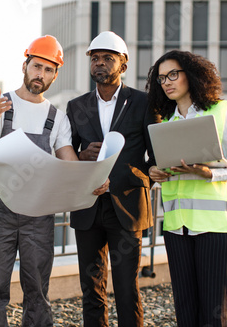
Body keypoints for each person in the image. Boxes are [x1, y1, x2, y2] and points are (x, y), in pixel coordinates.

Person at [0, 35, 108, 327]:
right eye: (37, 66)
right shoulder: (0, 104)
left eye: (49, 70)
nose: (41, 74)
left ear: (55, 75)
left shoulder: (57, 118)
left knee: (37, 289)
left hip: (38, 213)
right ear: (25, 65)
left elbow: (67, 162)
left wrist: (92, 182)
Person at [146, 50, 227, 327]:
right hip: (177, 229)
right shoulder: (166, 125)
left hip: (217, 229)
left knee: (214, 316)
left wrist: (208, 173)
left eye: (172, 75)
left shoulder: (219, 112)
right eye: (161, 79)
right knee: (186, 312)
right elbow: (169, 175)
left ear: (190, 75)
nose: (166, 82)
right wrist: (155, 173)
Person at [66, 31, 160, 327]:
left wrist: (128, 181)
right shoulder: (76, 106)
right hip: (87, 207)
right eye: (95, 58)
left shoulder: (144, 103)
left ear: (124, 64)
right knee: (90, 289)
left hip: (128, 207)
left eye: (108, 58)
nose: (100, 64)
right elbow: (66, 156)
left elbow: (157, 157)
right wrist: (81, 157)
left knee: (125, 289)